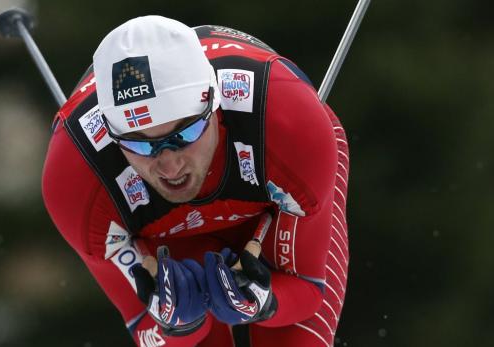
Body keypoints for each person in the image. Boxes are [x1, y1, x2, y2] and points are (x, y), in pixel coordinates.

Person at [42, 15, 349, 347]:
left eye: (185, 132)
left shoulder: (291, 125)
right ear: (111, 136)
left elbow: (307, 289)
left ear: (214, 104)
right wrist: (179, 326)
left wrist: (265, 302)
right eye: (138, 144)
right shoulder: (76, 177)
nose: (170, 166)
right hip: (166, 235)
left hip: (271, 191)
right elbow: (145, 328)